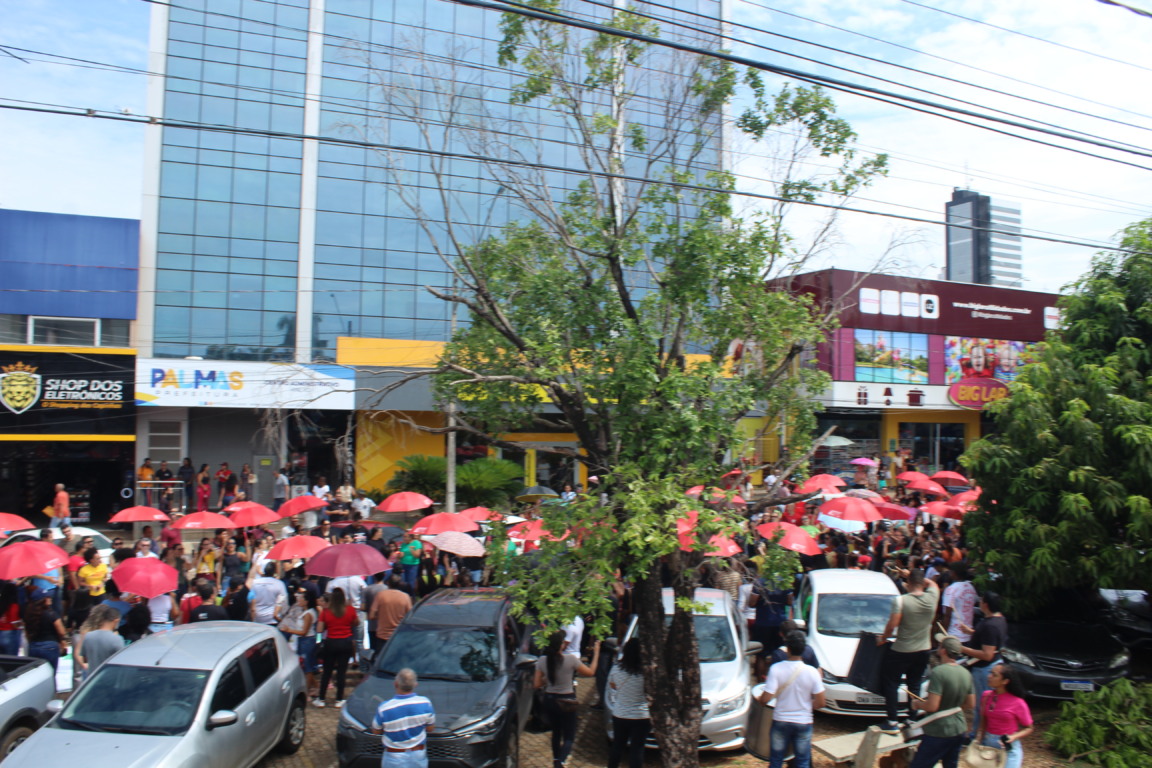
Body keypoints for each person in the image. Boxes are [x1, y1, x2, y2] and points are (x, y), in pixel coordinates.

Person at [876, 568, 939, 732]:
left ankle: (892, 721)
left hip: (902, 648)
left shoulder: (901, 601)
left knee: (891, 683)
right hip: (924, 648)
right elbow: (932, 583)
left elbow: (893, 624)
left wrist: (883, 638)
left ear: (909, 583)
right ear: (922, 583)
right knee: (915, 683)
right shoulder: (932, 597)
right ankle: (911, 718)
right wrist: (910, 573)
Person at [755, 631, 825, 768]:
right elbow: (821, 702)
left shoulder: (776, 669)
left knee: (776, 760)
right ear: (804, 649)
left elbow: (766, 698)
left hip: (781, 720)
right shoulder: (812, 672)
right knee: (803, 761)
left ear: (788, 648)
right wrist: (807, 705)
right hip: (803, 722)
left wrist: (760, 699)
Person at [534, 629, 601, 768]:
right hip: (566, 700)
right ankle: (561, 762)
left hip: (550, 700)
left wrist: (549, 678)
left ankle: (555, 759)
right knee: (569, 736)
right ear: (562, 645)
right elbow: (590, 672)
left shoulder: (542, 660)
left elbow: (537, 684)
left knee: (556, 732)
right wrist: (596, 654)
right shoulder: (570, 660)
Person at [907, 635, 975, 768]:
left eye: (940, 646)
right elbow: (971, 703)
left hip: (939, 730)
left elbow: (932, 706)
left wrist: (917, 704)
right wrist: (952, 706)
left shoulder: (938, 672)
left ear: (943, 651)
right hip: (959, 728)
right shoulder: (965, 673)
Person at [959, 591, 1008, 736]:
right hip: (991, 665)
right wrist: (971, 632)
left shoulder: (990, 626)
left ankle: (977, 734)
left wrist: (962, 649)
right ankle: (979, 733)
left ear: (985, 604)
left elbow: (987, 654)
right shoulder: (999, 620)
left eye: (981, 600)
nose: (979, 602)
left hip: (985, 669)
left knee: (983, 705)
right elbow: (988, 639)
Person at [371, 668, 436, 768]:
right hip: (418, 755)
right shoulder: (425, 703)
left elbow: (376, 731)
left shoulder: (384, 708)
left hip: (394, 757)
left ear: (395, 684)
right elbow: (430, 728)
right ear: (415, 684)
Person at [974, 664, 1033, 768]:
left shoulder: (1018, 702)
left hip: (1008, 748)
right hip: (988, 746)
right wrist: (979, 738)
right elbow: (984, 721)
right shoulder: (986, 696)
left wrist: (1013, 736)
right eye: (990, 673)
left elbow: (1029, 728)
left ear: (1005, 681)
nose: (989, 676)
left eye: (994, 675)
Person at [606, 638, 649, 768]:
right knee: (637, 749)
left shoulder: (616, 668)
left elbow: (612, 685)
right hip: (641, 715)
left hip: (620, 714)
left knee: (617, 747)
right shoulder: (646, 672)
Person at [315, 587, 358, 708]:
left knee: (327, 672)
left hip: (331, 642)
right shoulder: (350, 610)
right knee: (341, 672)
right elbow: (356, 622)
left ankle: (321, 698)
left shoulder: (326, 612)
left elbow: (319, 629)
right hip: (346, 642)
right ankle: (339, 699)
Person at [280, 587, 319, 697]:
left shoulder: (308, 614)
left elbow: (304, 631)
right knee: (306, 666)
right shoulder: (306, 612)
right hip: (304, 641)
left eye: (301, 599)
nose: (299, 601)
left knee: (307, 667)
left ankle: (307, 691)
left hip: (307, 641)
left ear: (306, 601)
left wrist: (289, 630)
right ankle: (315, 686)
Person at [23, 589, 67, 675]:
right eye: (47, 597)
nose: (50, 598)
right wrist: (62, 640)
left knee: (36, 675)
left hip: (34, 646)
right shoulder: (51, 614)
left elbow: (26, 632)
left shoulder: (28, 614)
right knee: (50, 675)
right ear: (42, 600)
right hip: (50, 647)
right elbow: (61, 631)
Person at [75, 604, 124, 679]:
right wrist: (84, 665)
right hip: (104, 672)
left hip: (92, 670)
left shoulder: (87, 633)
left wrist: (84, 665)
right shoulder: (114, 635)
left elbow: (78, 652)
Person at [369, 574, 412, 656]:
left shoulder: (380, 595)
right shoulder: (405, 597)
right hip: (398, 635)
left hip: (382, 636)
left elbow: (371, 616)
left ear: (388, 583)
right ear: (399, 584)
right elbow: (409, 617)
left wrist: (382, 616)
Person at [941, 565, 978, 642]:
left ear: (954, 573)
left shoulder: (950, 589)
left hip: (954, 635)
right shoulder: (971, 587)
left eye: (950, 572)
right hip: (968, 634)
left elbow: (947, 615)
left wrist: (944, 635)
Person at [249, 562, 288, 626]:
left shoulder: (255, 583)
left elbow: (251, 601)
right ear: (274, 572)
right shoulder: (279, 584)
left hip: (258, 618)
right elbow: (283, 602)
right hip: (273, 619)